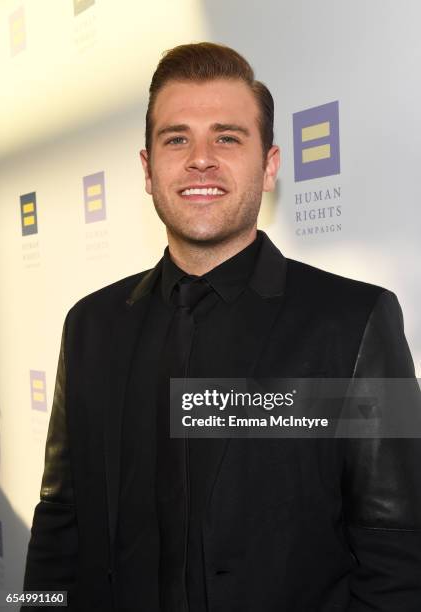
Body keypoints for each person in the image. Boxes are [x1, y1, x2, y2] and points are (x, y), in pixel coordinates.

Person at [24, 42, 421, 611]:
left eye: (227, 137)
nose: (200, 159)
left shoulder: (354, 323)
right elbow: (59, 523)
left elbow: (398, 549)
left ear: (270, 165)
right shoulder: (90, 326)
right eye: (177, 138)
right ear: (147, 168)